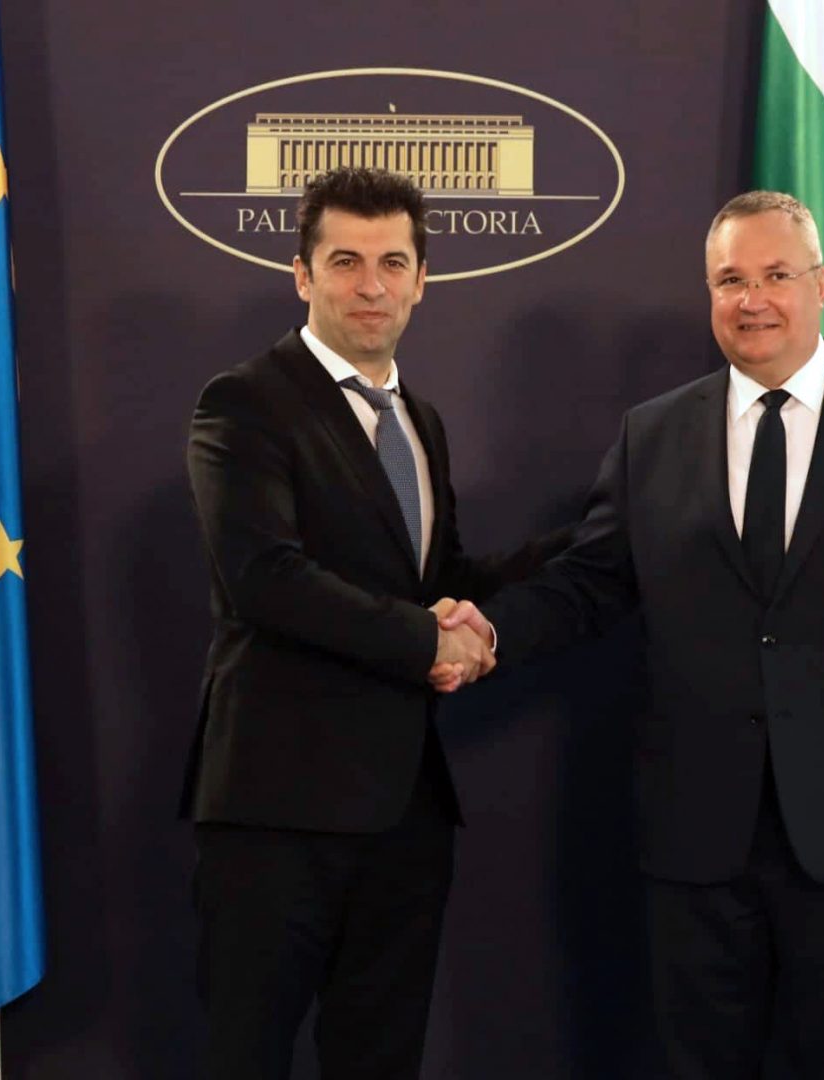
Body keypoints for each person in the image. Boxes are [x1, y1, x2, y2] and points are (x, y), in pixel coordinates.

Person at [438, 191, 824, 1078]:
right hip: (696, 828)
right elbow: (590, 585)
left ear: (820, 284)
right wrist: (490, 633)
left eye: (775, 275)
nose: (752, 300)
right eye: (730, 280)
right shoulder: (654, 434)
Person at [182, 166, 566, 1080]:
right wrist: (429, 641)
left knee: (381, 1059)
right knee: (245, 1057)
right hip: (276, 810)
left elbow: (442, 581)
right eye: (345, 261)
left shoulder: (419, 420)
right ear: (302, 275)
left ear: (422, 280)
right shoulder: (243, 402)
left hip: (403, 814)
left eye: (392, 262)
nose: (370, 285)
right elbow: (265, 578)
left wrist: (597, 538)